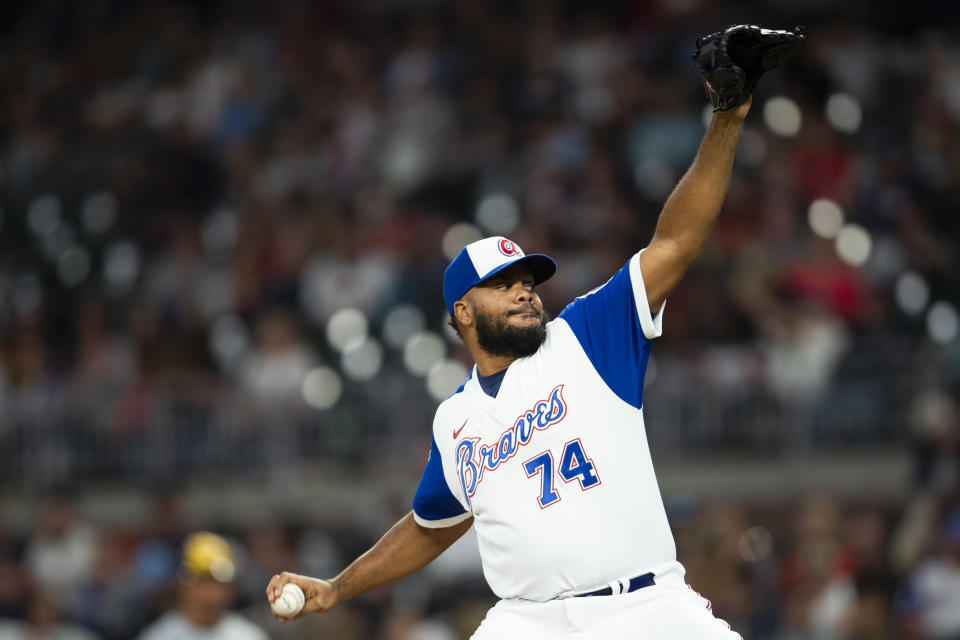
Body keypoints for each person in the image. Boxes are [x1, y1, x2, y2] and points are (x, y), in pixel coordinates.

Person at [267, 95, 754, 638]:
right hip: (528, 619)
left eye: (527, 282)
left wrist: (727, 118)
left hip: (641, 605)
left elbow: (677, 241)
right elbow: (430, 527)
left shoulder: (585, 337)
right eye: (503, 285)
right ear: (464, 311)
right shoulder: (455, 420)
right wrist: (337, 587)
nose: (524, 293)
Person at [138, 531, 267, 640]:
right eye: (204, 580)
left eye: (218, 581)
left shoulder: (248, 636)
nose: (212, 591)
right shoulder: (160, 636)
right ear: (184, 584)